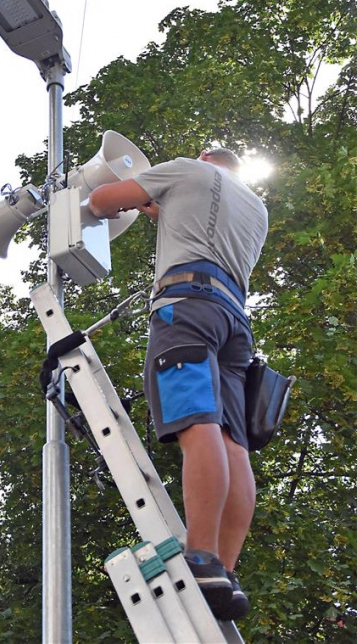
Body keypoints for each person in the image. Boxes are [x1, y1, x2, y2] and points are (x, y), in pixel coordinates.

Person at [88, 147, 268, 621]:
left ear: (205, 156)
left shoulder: (187, 169)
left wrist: (130, 193)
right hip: (234, 322)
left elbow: (104, 199)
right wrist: (160, 207)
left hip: (185, 308)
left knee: (196, 420)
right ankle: (223, 572)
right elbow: (202, 226)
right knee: (233, 440)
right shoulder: (255, 208)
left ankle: (201, 554)